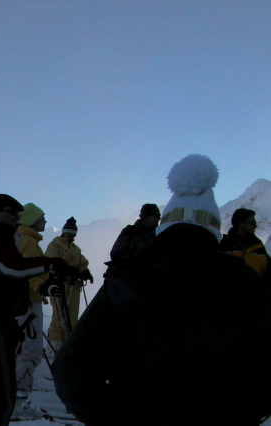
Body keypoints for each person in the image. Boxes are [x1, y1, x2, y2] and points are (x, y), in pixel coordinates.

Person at [52, 154, 271, 426]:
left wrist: (112, 416)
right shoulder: (242, 279)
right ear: (214, 228)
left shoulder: (128, 277)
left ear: (165, 224)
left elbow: (70, 368)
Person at [0, 194, 77, 426]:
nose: (17, 217)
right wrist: (52, 266)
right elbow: (12, 269)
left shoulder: (5, 239)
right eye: (12, 212)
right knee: (2, 395)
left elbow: (14, 273)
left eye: (19, 213)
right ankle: (21, 396)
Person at [13, 203, 50, 419]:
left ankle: (12, 394)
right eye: (42, 217)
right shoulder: (28, 241)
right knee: (32, 351)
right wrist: (42, 285)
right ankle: (19, 400)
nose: (45, 221)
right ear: (32, 220)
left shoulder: (26, 239)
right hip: (29, 302)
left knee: (19, 348)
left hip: (25, 301)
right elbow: (27, 272)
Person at [44, 217, 93, 355]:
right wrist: (66, 271)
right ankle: (53, 348)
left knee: (72, 317)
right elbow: (51, 263)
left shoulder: (75, 249)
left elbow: (82, 263)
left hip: (74, 286)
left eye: (73, 233)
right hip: (59, 284)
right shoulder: (55, 245)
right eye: (68, 232)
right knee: (59, 317)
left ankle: (67, 346)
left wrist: (85, 271)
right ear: (63, 232)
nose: (70, 235)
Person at [219, 208, 270, 280]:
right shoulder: (225, 247)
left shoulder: (259, 248)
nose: (255, 226)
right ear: (241, 224)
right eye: (252, 223)